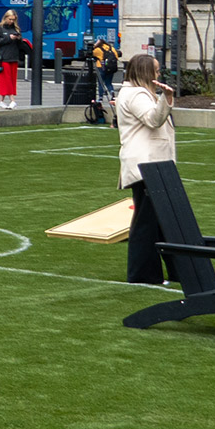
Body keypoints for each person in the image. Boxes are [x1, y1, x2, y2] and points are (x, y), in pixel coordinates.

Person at [117, 53, 178, 285]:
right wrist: (167, 98)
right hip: (146, 166)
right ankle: (143, 273)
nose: (158, 74)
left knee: (163, 221)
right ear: (145, 72)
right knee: (147, 222)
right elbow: (153, 120)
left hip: (151, 164)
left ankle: (177, 270)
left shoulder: (135, 92)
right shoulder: (136, 94)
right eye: (155, 70)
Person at [0, 11, 27, 109]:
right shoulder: (0, 28)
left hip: (13, 57)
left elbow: (20, 45)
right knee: (6, 80)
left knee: (11, 80)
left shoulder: (15, 28)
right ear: (5, 18)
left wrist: (18, 39)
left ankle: (1, 101)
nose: (11, 21)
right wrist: (9, 38)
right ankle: (12, 100)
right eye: (10, 19)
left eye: (13, 20)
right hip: (3, 58)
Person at [90, 39, 120, 103]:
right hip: (111, 67)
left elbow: (92, 53)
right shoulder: (111, 48)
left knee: (101, 83)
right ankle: (112, 94)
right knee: (108, 82)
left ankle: (100, 98)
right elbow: (116, 57)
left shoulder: (98, 49)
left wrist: (94, 46)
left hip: (101, 67)